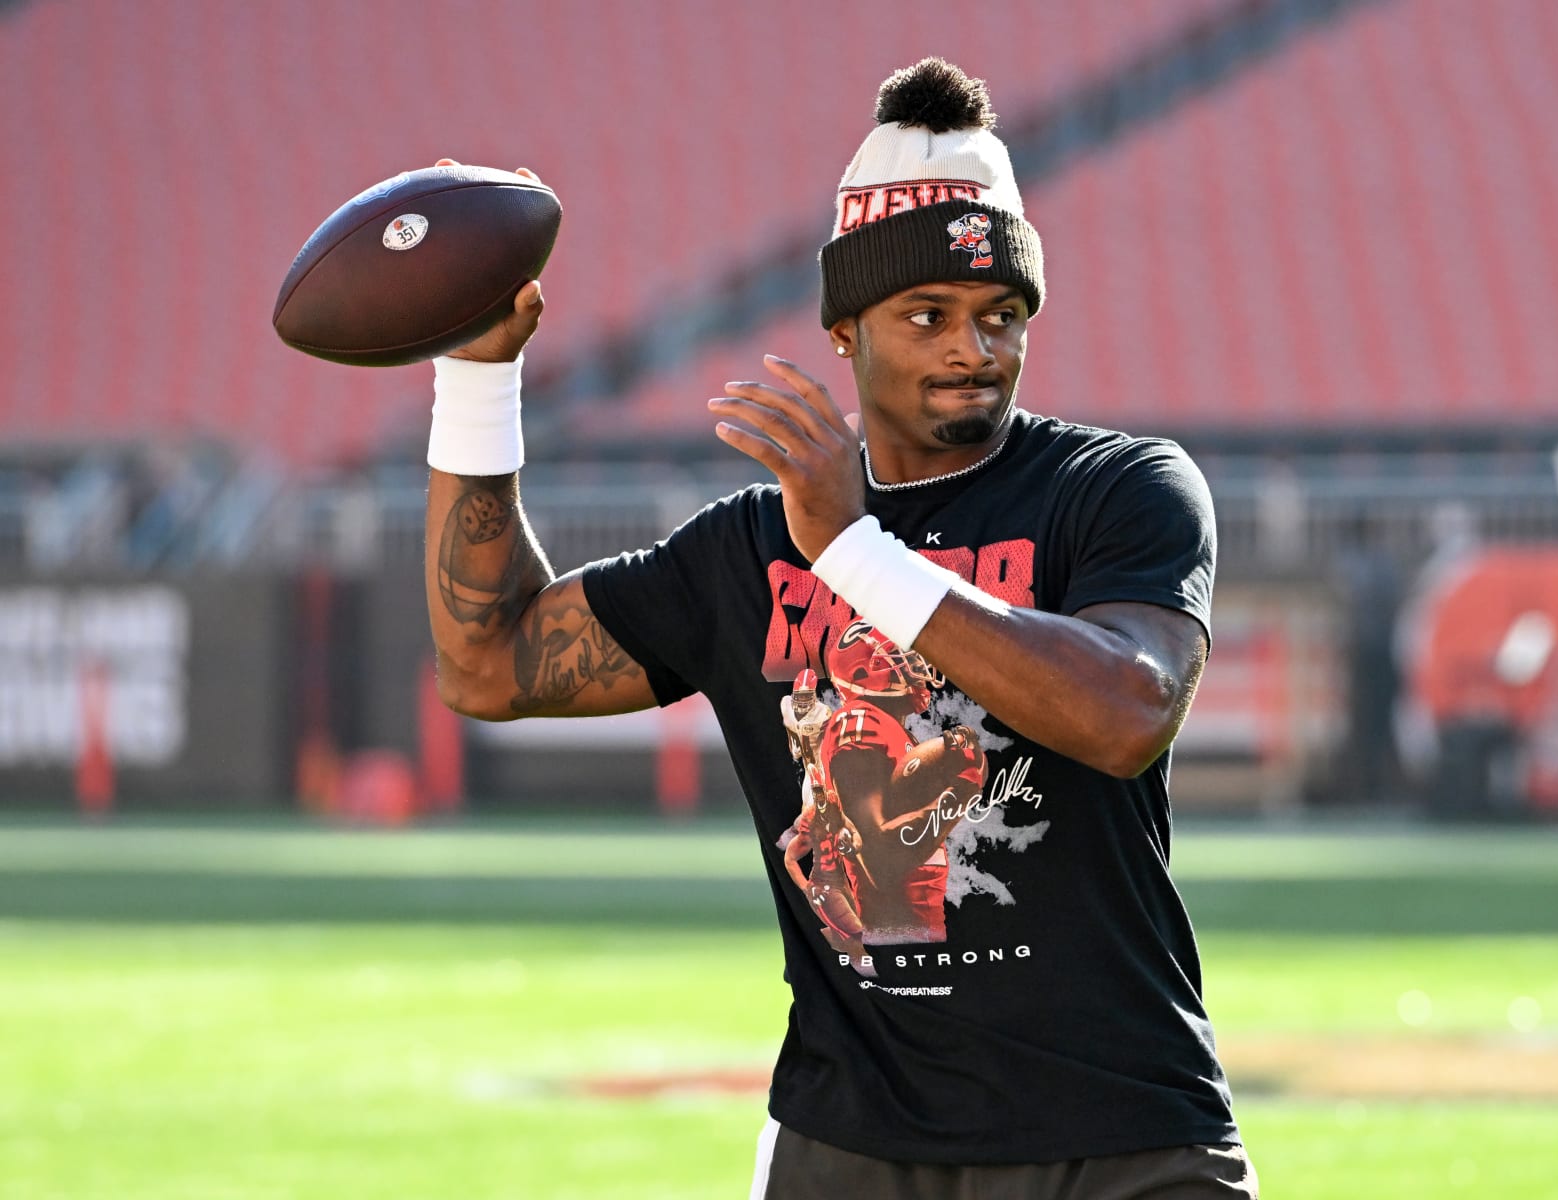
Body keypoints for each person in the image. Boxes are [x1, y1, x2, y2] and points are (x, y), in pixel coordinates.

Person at [423, 58, 1254, 1200]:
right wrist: (477, 384)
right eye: (929, 316)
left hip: (1121, 1135)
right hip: (852, 1147)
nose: (975, 349)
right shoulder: (751, 546)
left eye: (1001, 314)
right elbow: (489, 664)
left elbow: (1127, 713)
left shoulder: (1118, 488)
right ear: (845, 332)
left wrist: (857, 555)